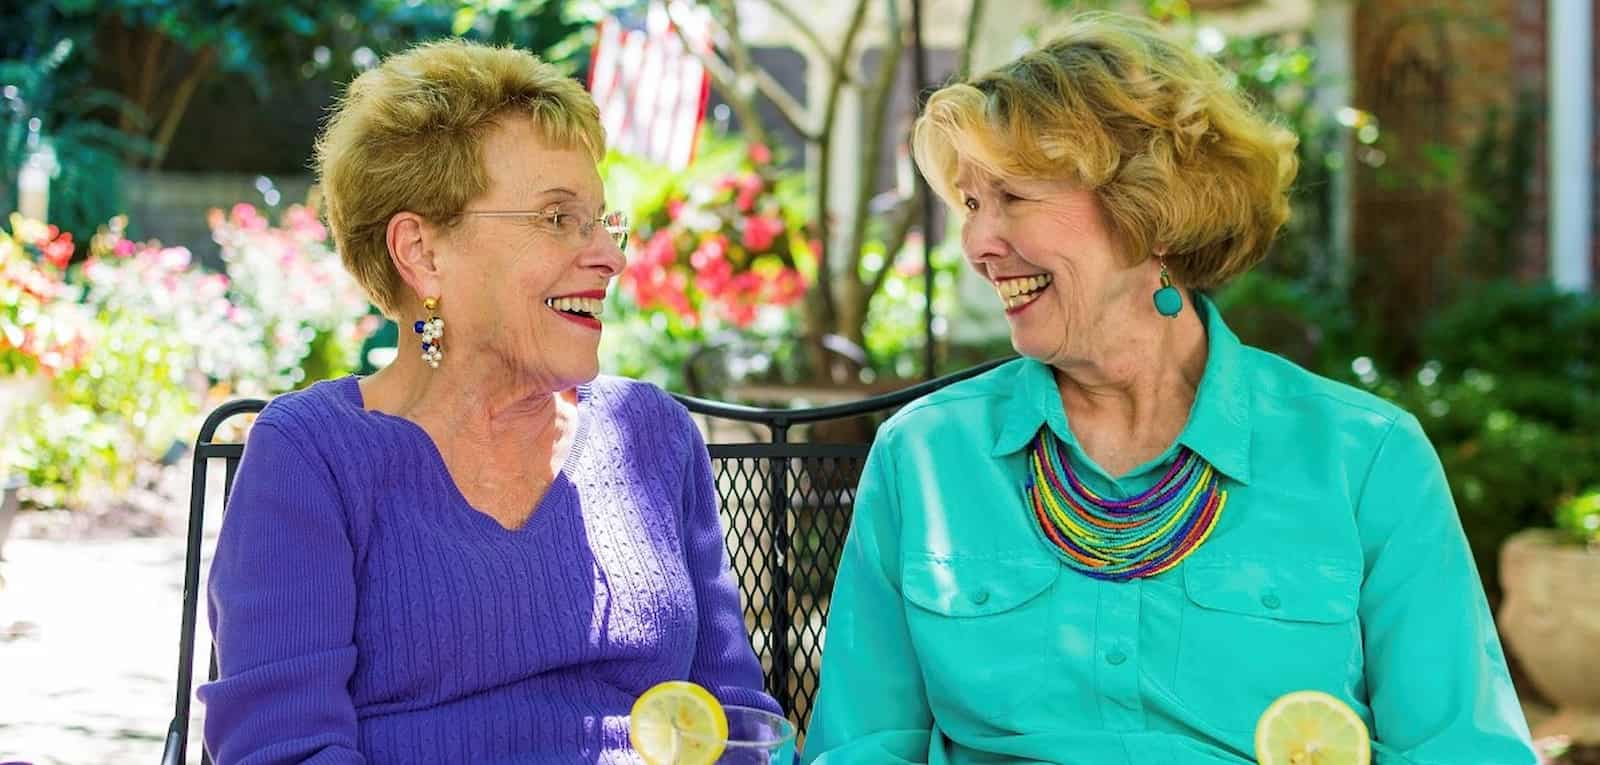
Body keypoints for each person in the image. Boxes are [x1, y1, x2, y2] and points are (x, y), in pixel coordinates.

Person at [803, 12, 1534, 765]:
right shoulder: (923, 456)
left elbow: (1463, 748)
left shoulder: (1366, 459)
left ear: (1146, 210)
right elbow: (862, 745)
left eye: (1013, 197)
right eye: (971, 203)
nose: (978, 243)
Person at [199, 39, 777, 764]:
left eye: (602, 220)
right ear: (422, 251)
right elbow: (284, 749)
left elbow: (734, 718)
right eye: (558, 217)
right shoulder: (312, 456)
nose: (608, 255)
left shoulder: (652, 434)